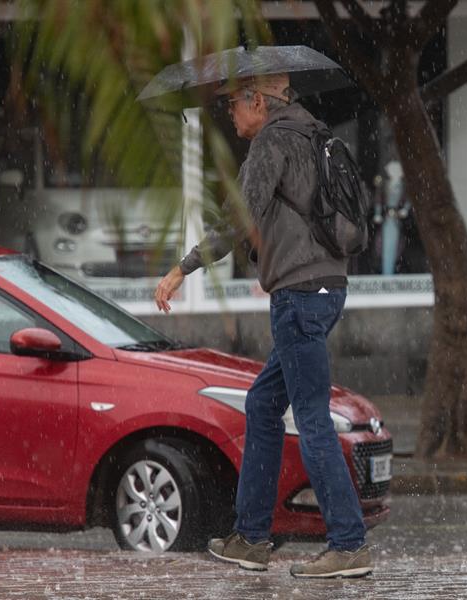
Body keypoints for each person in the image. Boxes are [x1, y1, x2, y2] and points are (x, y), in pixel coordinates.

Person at [153, 73, 371, 579]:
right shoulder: (313, 133)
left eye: (233, 104)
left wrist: (182, 268)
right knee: (263, 403)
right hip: (326, 288)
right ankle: (250, 537)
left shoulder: (272, 142)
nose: (231, 114)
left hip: (297, 296)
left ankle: (348, 542)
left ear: (258, 101)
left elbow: (236, 219)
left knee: (312, 419)